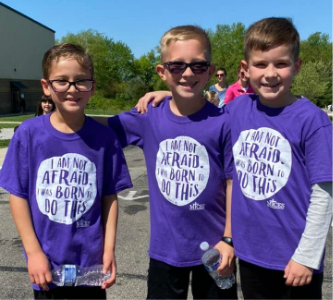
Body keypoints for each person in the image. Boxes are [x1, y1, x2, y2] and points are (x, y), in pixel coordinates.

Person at [136, 17, 333, 300]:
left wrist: (308, 256)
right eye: (261, 64)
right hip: (249, 254)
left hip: (294, 257)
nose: (270, 73)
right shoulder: (238, 109)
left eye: (281, 64)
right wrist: (170, 92)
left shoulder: (312, 119)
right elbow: (197, 108)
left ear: (297, 66)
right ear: (246, 69)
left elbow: (325, 192)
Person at [96, 25, 238, 300]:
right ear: (163, 72)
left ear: (210, 71)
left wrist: (230, 239)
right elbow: (100, 129)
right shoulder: (149, 118)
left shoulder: (224, 122)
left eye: (198, 66)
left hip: (217, 248)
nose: (187, 73)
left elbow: (234, 184)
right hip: (166, 250)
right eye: (177, 66)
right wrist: (57, 119)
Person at [0, 43, 133, 300]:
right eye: (62, 81)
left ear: (92, 87)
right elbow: (18, 196)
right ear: (46, 87)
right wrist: (34, 252)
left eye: (80, 81)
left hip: (91, 267)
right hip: (47, 266)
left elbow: (110, 198)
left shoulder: (104, 139)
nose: (72, 89)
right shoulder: (28, 134)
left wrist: (109, 250)